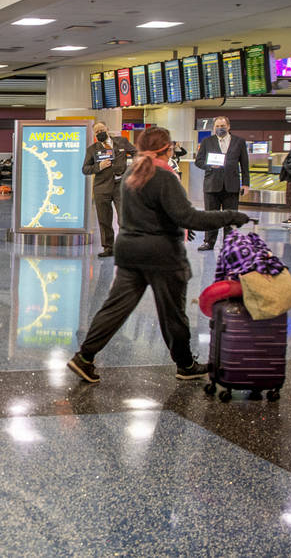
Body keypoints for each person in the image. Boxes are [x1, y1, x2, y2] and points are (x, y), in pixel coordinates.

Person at [68, 127, 250, 384]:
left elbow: (150, 212)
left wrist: (176, 224)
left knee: (114, 309)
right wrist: (230, 216)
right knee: (173, 313)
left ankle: (84, 357)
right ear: (166, 149)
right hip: (162, 255)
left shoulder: (132, 172)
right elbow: (189, 217)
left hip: (130, 251)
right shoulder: (164, 176)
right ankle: (185, 365)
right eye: (172, 146)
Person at [193, 116, 249, 251]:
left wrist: (246, 183)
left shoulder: (239, 142)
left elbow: (245, 164)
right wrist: (210, 166)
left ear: (228, 127)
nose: (220, 129)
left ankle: (229, 243)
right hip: (212, 184)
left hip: (232, 184)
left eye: (222, 126)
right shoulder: (207, 142)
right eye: (217, 126)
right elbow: (198, 161)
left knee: (230, 215)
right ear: (213, 128)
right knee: (211, 215)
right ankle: (209, 242)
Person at [83, 121, 137, 257]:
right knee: (104, 219)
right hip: (102, 187)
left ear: (107, 129)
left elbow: (136, 153)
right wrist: (99, 166)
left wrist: (132, 168)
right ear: (94, 134)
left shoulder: (122, 142)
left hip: (120, 185)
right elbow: (85, 169)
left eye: (102, 130)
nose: (100, 133)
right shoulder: (92, 149)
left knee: (123, 218)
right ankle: (108, 248)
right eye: (97, 132)